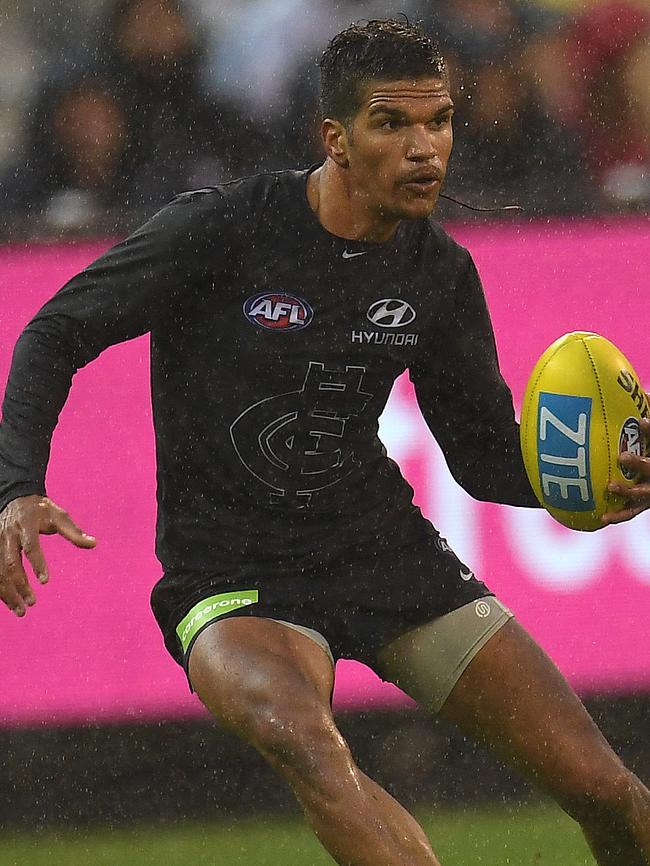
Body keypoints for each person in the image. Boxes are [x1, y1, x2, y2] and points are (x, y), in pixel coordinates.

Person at [0, 19, 648, 866]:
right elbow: (54, 332)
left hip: (382, 555)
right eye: (393, 124)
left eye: (439, 121)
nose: (426, 149)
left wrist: (591, 480)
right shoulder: (225, 229)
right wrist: (17, 486)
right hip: (233, 580)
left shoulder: (439, 273)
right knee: (307, 742)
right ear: (336, 140)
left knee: (611, 795)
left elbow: (483, 456)